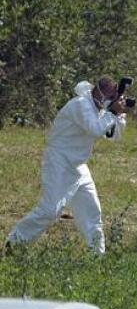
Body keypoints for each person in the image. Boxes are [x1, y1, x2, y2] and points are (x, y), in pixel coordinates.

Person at [6, 78, 127, 255]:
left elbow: (112, 136)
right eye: (110, 96)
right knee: (50, 210)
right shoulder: (80, 104)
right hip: (59, 161)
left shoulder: (101, 110)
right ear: (98, 92)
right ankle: (14, 243)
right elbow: (95, 129)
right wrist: (112, 113)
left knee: (91, 211)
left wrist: (119, 114)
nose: (111, 100)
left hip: (79, 166)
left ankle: (97, 256)